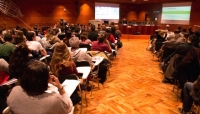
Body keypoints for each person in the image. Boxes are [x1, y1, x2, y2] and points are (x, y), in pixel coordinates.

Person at [7, 61, 73, 114]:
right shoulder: (55, 101)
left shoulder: (14, 91)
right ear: (46, 79)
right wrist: (60, 87)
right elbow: (69, 107)